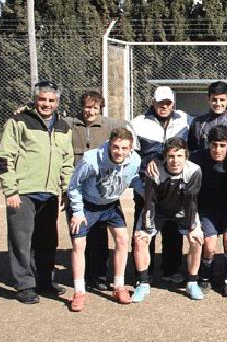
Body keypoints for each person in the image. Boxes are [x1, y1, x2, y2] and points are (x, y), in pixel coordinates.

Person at [0, 81, 74, 304]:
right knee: (21, 240)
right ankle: (25, 284)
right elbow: (4, 157)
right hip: (23, 191)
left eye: (51, 100)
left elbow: (67, 161)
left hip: (50, 194)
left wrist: (66, 190)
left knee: (48, 240)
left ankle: (45, 281)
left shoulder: (63, 126)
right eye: (42, 99)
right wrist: (11, 190)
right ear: (35, 99)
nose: (46, 104)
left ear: (57, 102)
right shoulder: (18, 121)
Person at [66, 128, 142, 311]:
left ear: (131, 148)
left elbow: (133, 180)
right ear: (109, 144)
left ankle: (119, 286)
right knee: (79, 245)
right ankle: (79, 292)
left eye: (124, 148)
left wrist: (149, 194)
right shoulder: (91, 160)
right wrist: (77, 212)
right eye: (116, 147)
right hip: (86, 204)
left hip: (110, 204)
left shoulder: (135, 160)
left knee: (123, 239)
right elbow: (74, 186)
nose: (120, 152)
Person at [64, 90, 132, 291]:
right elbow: (50, 116)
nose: (90, 111)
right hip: (77, 185)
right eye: (87, 107)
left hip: (102, 189)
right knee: (80, 234)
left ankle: (100, 275)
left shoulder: (109, 124)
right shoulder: (69, 124)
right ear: (81, 107)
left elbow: (129, 130)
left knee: (101, 236)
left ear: (100, 108)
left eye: (95, 107)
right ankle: (81, 278)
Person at [129, 86, 192, 283]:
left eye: (167, 103)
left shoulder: (186, 120)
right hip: (147, 186)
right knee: (145, 227)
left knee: (172, 228)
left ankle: (171, 270)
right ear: (153, 102)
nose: (163, 106)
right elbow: (131, 156)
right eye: (159, 103)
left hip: (174, 187)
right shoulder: (137, 123)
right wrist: (139, 184)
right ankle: (143, 273)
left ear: (173, 103)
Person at [131, 137, 203, 302]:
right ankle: (142, 283)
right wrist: (147, 230)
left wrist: (193, 227)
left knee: (197, 239)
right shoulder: (154, 170)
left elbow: (191, 201)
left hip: (183, 211)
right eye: (171, 156)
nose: (175, 160)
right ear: (165, 156)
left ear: (186, 156)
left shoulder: (194, 170)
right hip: (157, 211)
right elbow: (150, 202)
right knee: (140, 239)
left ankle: (192, 282)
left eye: (179, 156)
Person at [189, 126, 227, 297]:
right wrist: (156, 159)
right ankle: (205, 277)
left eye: (222, 145)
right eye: (214, 145)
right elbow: (175, 153)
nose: (218, 149)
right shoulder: (197, 157)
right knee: (210, 245)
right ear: (208, 144)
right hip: (207, 210)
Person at [187, 80, 227, 151]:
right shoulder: (197, 123)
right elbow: (192, 150)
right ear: (208, 99)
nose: (218, 104)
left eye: (222, 100)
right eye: (214, 99)